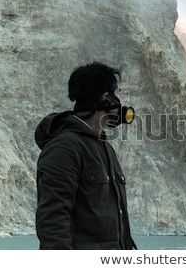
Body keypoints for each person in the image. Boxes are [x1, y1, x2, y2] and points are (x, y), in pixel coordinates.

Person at [35, 62, 137, 250]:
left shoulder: (103, 147)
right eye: (119, 94)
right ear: (107, 98)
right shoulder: (65, 148)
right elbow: (53, 220)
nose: (122, 102)